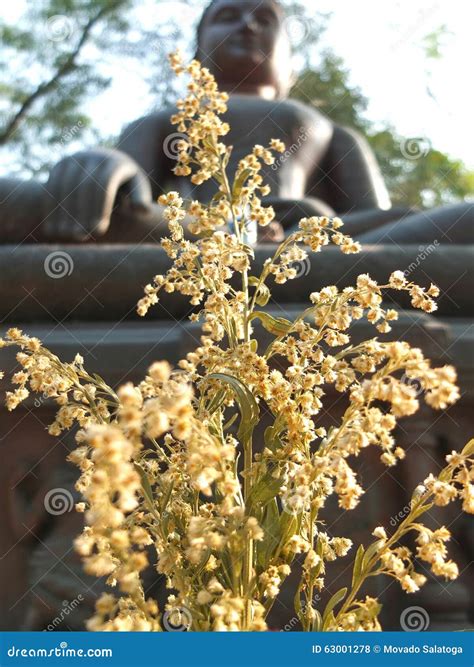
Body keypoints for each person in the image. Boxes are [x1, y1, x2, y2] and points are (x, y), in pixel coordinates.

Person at [0, 0, 472, 245]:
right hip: (192, 239)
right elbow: (126, 201)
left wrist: (320, 224)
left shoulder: (332, 132)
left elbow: (386, 225)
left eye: (264, 19)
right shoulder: (166, 119)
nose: (247, 25)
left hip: (317, 254)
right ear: (197, 52)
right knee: (24, 202)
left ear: (291, 65)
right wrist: (100, 165)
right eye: (227, 17)